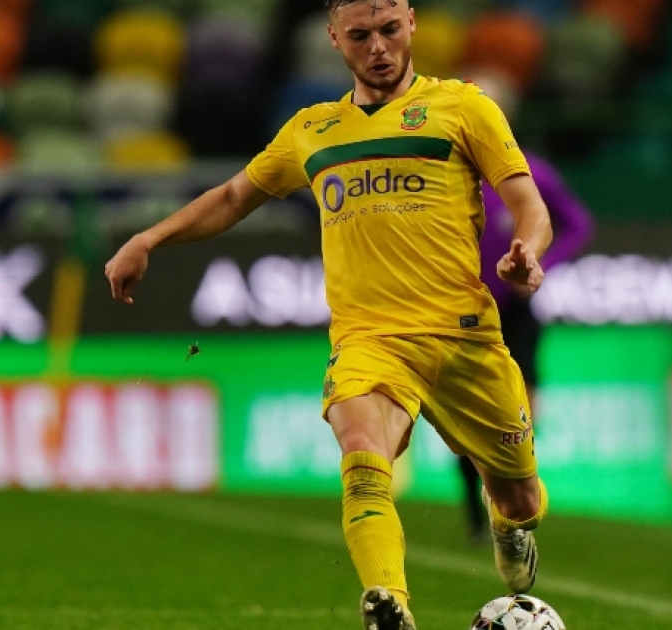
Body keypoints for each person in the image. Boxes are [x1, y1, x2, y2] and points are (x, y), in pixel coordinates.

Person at [105, 1, 552, 628]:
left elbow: (529, 202)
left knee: (520, 494)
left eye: (389, 30)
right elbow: (234, 196)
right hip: (370, 339)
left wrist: (527, 248)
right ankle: (389, 602)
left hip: (463, 337)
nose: (378, 47)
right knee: (363, 454)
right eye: (361, 35)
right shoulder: (312, 130)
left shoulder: (464, 107)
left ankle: (509, 525)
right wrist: (149, 238)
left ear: (412, 24)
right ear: (335, 39)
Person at [456, 151, 594, 545]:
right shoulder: (448, 168)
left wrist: (540, 265)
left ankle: (513, 505)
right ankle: (478, 513)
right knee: (465, 413)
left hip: (515, 311)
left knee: (522, 409)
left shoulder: (531, 172)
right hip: (464, 309)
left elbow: (577, 224)